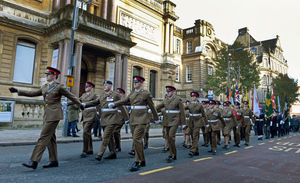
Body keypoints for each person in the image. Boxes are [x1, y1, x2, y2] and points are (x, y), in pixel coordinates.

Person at [9, 67, 83, 169]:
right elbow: (32, 93)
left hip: (54, 114)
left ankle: (34, 161)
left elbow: (72, 96)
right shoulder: (44, 87)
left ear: (54, 75)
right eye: (46, 74)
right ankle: (54, 161)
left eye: (48, 74)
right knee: (50, 138)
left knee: (43, 137)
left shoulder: (59, 86)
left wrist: (81, 105)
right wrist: (17, 90)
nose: (46, 75)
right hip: (47, 115)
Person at [108, 76, 158, 171]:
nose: (135, 83)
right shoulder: (132, 93)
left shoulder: (146, 93)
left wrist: (156, 118)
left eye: (137, 82)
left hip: (142, 119)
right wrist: (115, 104)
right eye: (134, 82)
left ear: (141, 83)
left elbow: (152, 106)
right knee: (136, 140)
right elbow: (125, 101)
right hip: (133, 118)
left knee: (137, 139)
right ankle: (142, 160)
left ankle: (137, 161)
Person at [83, 80, 127, 162]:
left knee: (105, 136)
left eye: (106, 85)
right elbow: (95, 102)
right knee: (109, 137)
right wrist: (85, 104)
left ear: (110, 86)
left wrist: (126, 118)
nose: (104, 86)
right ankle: (112, 153)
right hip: (104, 118)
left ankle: (100, 154)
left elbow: (122, 105)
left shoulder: (115, 95)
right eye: (104, 85)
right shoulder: (102, 95)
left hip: (112, 118)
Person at [69, 81, 99, 158]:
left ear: (91, 88)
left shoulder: (94, 95)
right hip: (85, 115)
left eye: (88, 87)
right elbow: (77, 100)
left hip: (92, 115)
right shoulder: (83, 95)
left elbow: (97, 102)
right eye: (85, 86)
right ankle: (90, 149)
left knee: (85, 132)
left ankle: (84, 150)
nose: (86, 88)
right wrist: (67, 103)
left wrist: (87, 104)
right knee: (88, 133)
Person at [156, 86, 186, 163]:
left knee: (171, 136)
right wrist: (151, 109)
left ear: (173, 92)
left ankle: (173, 154)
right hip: (167, 121)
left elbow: (182, 112)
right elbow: (159, 106)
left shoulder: (177, 99)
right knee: (168, 137)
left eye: (169, 91)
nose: (168, 93)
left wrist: (183, 123)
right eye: (167, 91)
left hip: (175, 120)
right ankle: (172, 154)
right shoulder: (165, 99)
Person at [185, 92, 207, 157]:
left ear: (196, 97)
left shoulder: (200, 105)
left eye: (194, 97)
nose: (193, 98)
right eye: (192, 97)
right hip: (191, 122)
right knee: (192, 136)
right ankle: (196, 151)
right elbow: (183, 108)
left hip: (197, 122)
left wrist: (206, 123)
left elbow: (204, 115)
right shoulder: (190, 104)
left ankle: (192, 150)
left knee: (195, 136)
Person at [114, 88, 129, 152]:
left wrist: (126, 120)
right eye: (117, 93)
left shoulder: (122, 101)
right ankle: (116, 146)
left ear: (122, 94)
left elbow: (125, 111)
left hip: (120, 119)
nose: (118, 94)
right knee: (114, 133)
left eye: (119, 93)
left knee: (115, 131)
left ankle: (117, 147)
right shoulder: (114, 100)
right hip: (114, 118)